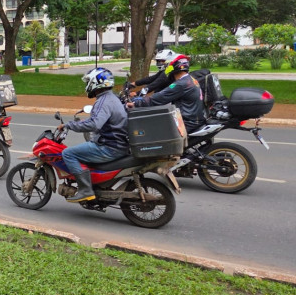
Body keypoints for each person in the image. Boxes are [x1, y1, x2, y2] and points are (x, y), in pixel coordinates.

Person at [58, 68, 129, 203]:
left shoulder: (103, 101)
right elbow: (98, 120)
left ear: (96, 83)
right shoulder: (112, 98)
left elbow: (95, 124)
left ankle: (85, 190)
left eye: (88, 82)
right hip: (119, 144)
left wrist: (69, 125)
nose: (87, 86)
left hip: (110, 147)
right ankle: (95, 185)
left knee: (68, 153)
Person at [129, 54, 206, 133]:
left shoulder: (180, 84)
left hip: (187, 122)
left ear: (175, 67)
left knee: (151, 129)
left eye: (168, 66)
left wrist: (136, 102)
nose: (166, 69)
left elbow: (159, 98)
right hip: (193, 118)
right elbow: (154, 82)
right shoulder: (189, 79)